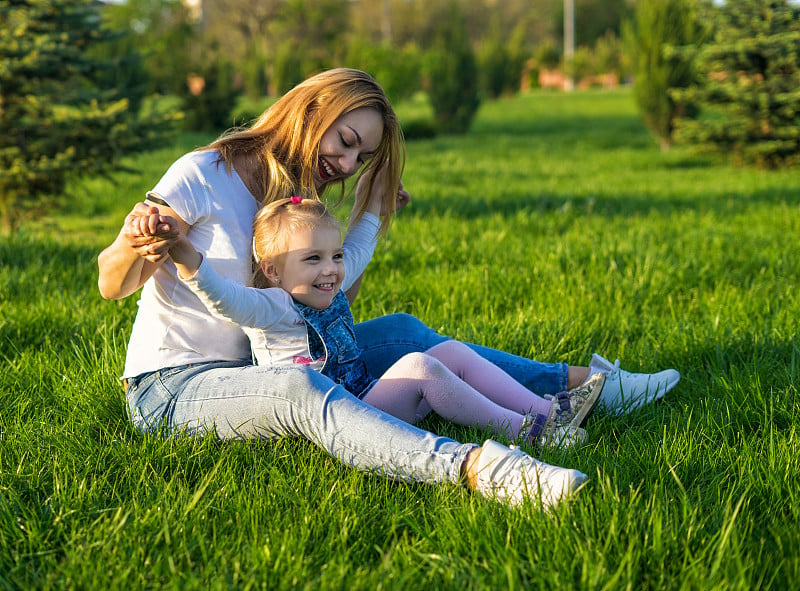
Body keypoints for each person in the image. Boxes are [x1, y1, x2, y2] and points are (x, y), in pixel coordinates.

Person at [97, 68, 679, 508]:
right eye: (345, 141)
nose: (348, 163)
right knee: (297, 387)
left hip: (257, 360)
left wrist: (372, 211)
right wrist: (138, 241)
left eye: (363, 155)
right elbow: (111, 284)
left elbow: (328, 289)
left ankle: (587, 390)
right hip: (174, 387)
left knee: (401, 331)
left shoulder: (293, 190)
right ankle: (483, 469)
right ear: (312, 109)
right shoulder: (204, 173)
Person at [140, 195, 606, 449]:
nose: (331, 269)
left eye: (333, 256)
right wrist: (187, 258)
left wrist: (378, 208)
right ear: (274, 271)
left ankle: (551, 410)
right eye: (313, 259)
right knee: (422, 367)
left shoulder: (328, 287)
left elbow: (359, 250)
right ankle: (526, 433)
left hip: (366, 394)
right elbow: (225, 300)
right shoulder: (272, 306)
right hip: (340, 416)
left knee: (448, 352)